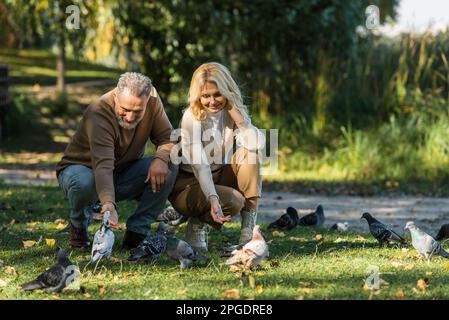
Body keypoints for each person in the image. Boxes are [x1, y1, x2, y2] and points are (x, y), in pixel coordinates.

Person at [56, 72, 178, 250]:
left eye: (137, 112)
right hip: (83, 171)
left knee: (170, 162)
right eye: (125, 110)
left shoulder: (152, 99)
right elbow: (103, 165)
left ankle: (137, 231)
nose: (129, 117)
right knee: (84, 182)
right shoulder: (99, 111)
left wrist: (160, 159)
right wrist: (108, 203)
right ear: (115, 96)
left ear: (147, 102)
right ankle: (79, 227)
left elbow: (168, 137)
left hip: (121, 172)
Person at [169, 62, 264, 252]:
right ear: (198, 96)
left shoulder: (233, 112)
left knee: (251, 153)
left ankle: (248, 232)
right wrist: (213, 198)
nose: (212, 101)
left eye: (217, 94)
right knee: (234, 201)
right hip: (189, 184)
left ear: (227, 93)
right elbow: (200, 166)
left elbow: (258, 144)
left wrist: (239, 118)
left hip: (219, 173)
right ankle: (197, 222)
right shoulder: (191, 117)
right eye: (205, 96)